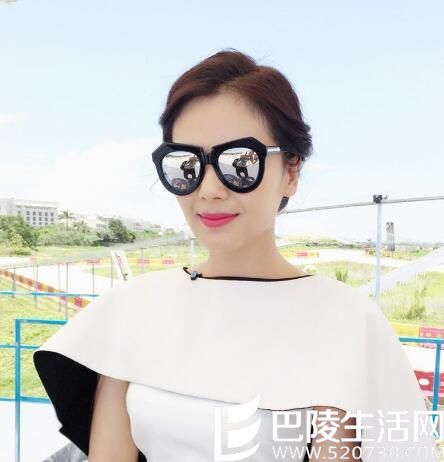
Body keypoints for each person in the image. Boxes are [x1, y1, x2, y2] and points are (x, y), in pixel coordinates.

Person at [33, 49, 439, 462]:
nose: (209, 189)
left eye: (239, 162)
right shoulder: (134, 305)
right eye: (185, 165)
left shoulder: (342, 319)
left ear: (291, 172)